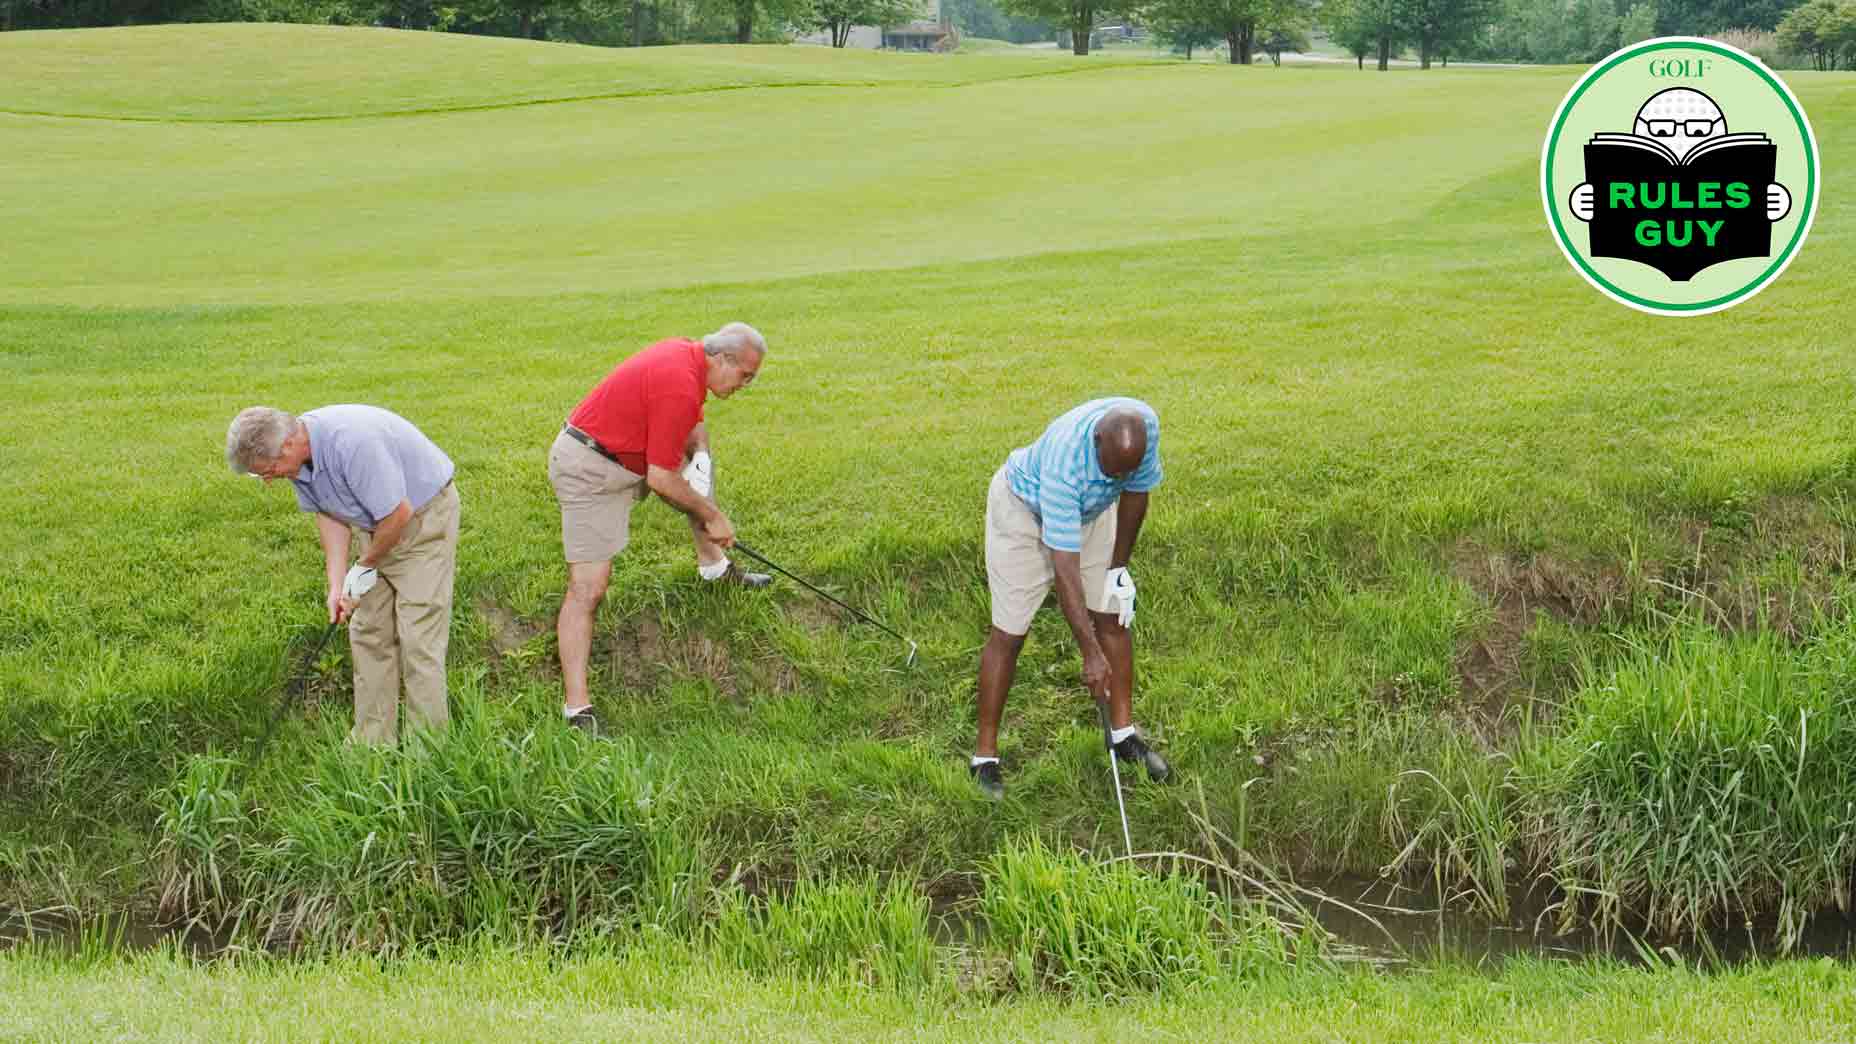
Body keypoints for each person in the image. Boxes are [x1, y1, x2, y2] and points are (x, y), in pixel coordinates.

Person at [549, 322, 770, 736]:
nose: (746, 385)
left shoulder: (688, 359)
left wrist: (701, 456)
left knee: (696, 478)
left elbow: (691, 422)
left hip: (617, 459)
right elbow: (662, 479)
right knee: (588, 588)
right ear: (722, 359)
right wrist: (713, 515)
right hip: (589, 471)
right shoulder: (678, 382)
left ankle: (715, 570)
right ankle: (577, 710)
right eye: (745, 376)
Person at [970, 397, 1170, 799]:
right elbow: (1066, 568)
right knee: (1008, 635)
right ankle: (984, 758)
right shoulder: (1066, 464)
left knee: (1112, 617)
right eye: (1111, 470)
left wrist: (1117, 570)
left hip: (1091, 514)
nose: (1119, 478)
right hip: (1023, 513)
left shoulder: (1142, 431)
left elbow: (1135, 497)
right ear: (1097, 441)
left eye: (1125, 471)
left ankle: (1123, 735)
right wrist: (1090, 655)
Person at [226, 404, 460, 746]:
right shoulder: (297, 460)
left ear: (289, 444)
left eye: (270, 469)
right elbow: (328, 513)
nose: (268, 479)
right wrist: (337, 584)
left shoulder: (353, 444)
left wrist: (364, 565)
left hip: (422, 521)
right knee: (367, 630)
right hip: (376, 523)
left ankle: (428, 749)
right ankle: (372, 741)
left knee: (419, 637)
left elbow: (398, 514)